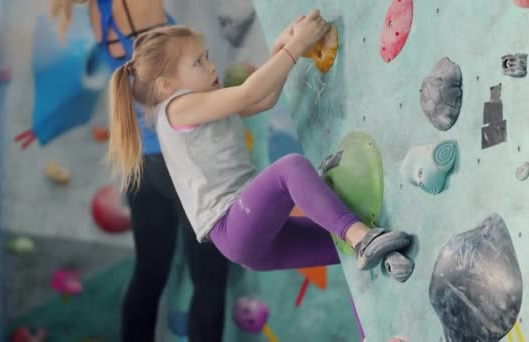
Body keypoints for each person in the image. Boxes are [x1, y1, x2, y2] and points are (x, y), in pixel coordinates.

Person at [108, 8, 415, 275]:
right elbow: (248, 93)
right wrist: (295, 46)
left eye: (207, 57)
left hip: (250, 231)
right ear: (166, 85)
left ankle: (387, 256)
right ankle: (363, 239)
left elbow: (262, 100)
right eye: (198, 63)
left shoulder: (198, 105)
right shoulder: (176, 109)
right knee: (290, 169)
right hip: (233, 224)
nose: (211, 66)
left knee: (336, 244)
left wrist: (280, 50)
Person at [50, 1, 229, 341]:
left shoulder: (97, 10)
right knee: (209, 278)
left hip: (142, 165)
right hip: (178, 158)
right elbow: (172, 83)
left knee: (149, 274)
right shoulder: (133, 4)